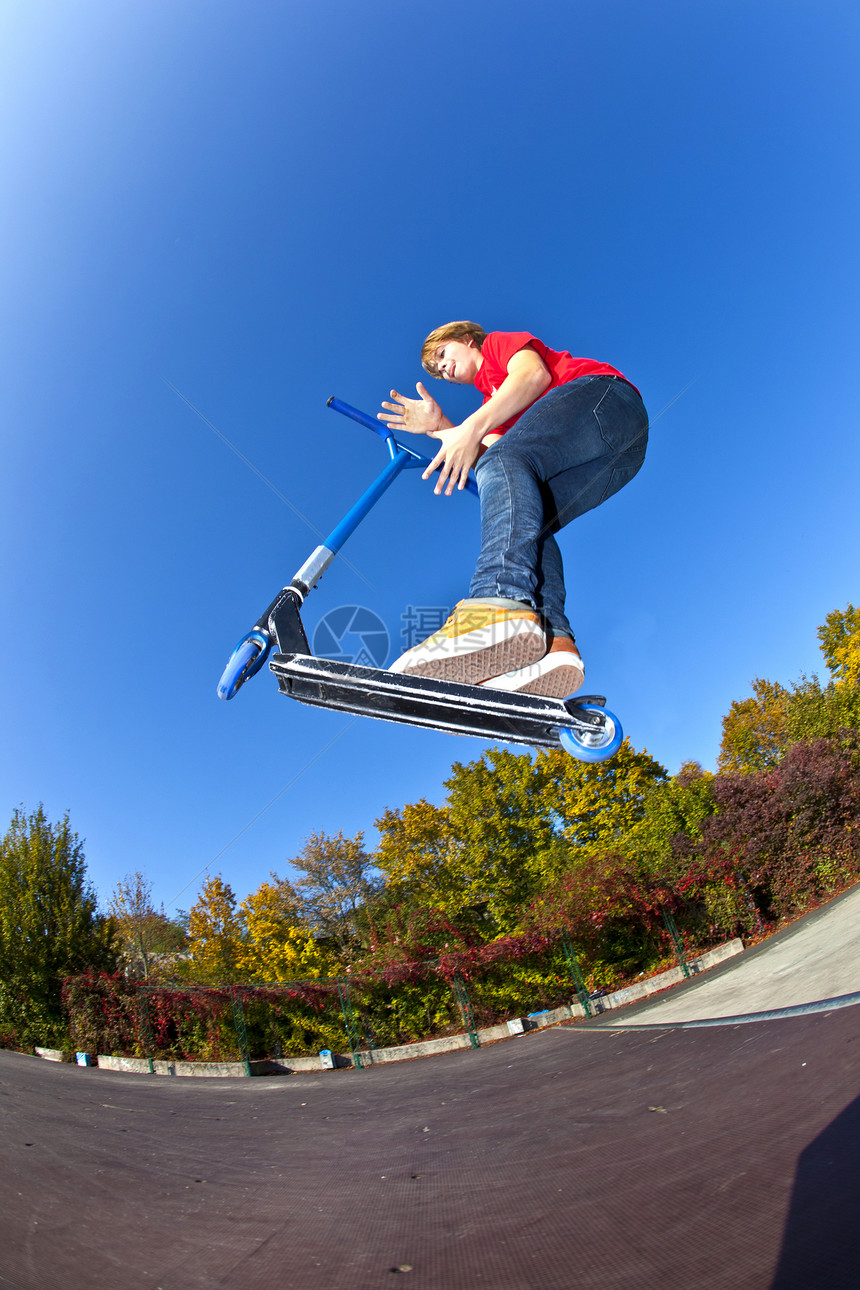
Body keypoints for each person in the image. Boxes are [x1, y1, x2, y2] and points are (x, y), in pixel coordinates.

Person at [377, 322, 648, 698]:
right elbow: (494, 464)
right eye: (438, 372)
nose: (444, 370)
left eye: (442, 356)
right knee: (532, 520)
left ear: (466, 340)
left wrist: (470, 428)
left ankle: (497, 602)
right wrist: (439, 427)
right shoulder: (493, 407)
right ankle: (554, 644)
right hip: (617, 459)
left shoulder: (496, 348)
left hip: (606, 401)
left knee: (506, 463)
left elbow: (533, 375)